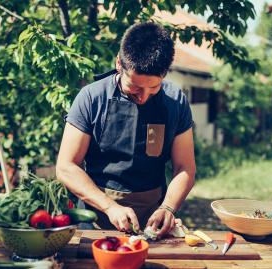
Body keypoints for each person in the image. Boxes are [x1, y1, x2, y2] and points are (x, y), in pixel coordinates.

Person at [56, 22, 196, 237]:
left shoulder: (176, 101)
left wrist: (167, 207)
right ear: (119, 63)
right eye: (135, 88)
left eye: (154, 88)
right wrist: (109, 206)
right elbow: (66, 166)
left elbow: (185, 167)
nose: (144, 97)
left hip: (153, 221)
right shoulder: (91, 98)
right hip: (96, 219)